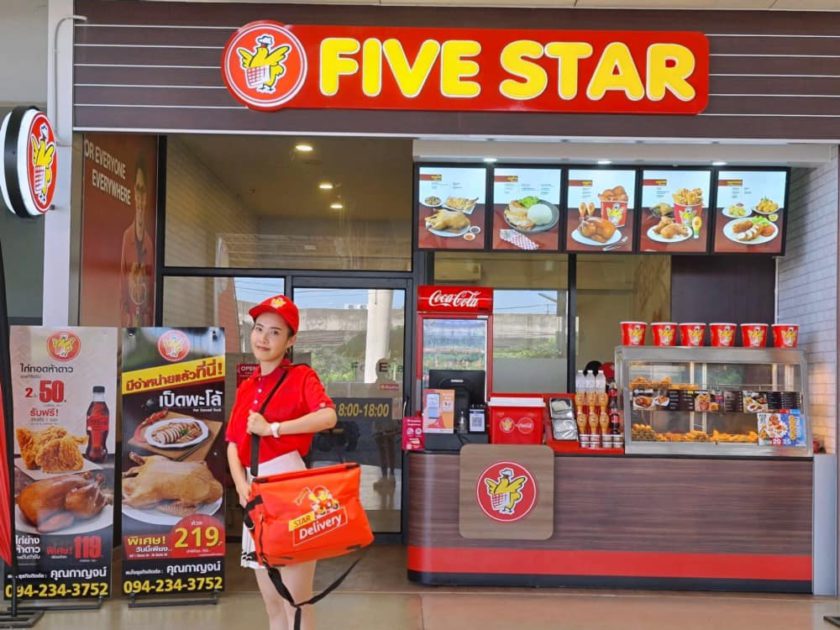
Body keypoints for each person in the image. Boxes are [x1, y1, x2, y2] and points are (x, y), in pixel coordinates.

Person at [226, 294, 337, 630]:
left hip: (290, 489)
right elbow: (233, 442)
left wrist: (273, 428)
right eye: (259, 328)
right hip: (254, 493)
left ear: (290, 341)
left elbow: (328, 416)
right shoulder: (247, 387)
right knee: (272, 603)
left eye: (275, 332)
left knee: (295, 602)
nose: (263, 338)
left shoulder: (301, 377)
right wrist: (241, 487)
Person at [119, 160, 154, 326]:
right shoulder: (127, 238)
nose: (140, 197)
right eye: (137, 189)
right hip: (129, 327)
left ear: (146, 196)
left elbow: (151, 295)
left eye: (143, 190)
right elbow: (122, 292)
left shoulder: (149, 245)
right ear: (133, 192)